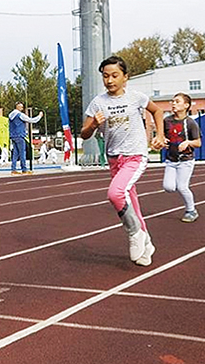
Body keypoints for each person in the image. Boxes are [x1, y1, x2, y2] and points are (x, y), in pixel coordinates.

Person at [80, 55, 165, 267]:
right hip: (114, 159)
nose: (110, 80)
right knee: (131, 203)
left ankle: (134, 233)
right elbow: (84, 134)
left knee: (115, 193)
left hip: (135, 155)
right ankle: (146, 241)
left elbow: (157, 111)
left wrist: (160, 135)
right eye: (105, 76)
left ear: (125, 77)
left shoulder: (136, 97)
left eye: (115, 76)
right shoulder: (98, 103)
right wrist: (93, 126)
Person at [162, 93, 201, 223]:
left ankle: (191, 210)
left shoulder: (191, 123)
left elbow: (198, 143)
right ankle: (190, 209)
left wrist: (188, 143)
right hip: (170, 160)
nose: (173, 103)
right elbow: (161, 137)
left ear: (186, 105)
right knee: (168, 187)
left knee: (182, 187)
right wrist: (162, 141)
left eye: (177, 101)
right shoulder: (167, 121)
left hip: (186, 160)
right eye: (172, 101)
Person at [8, 102, 43, 174]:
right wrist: (39, 116)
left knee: (15, 153)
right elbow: (32, 120)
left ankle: (13, 169)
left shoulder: (11, 115)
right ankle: (24, 169)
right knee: (22, 152)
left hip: (13, 135)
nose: (22, 108)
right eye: (21, 107)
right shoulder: (20, 115)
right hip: (20, 135)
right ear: (17, 107)